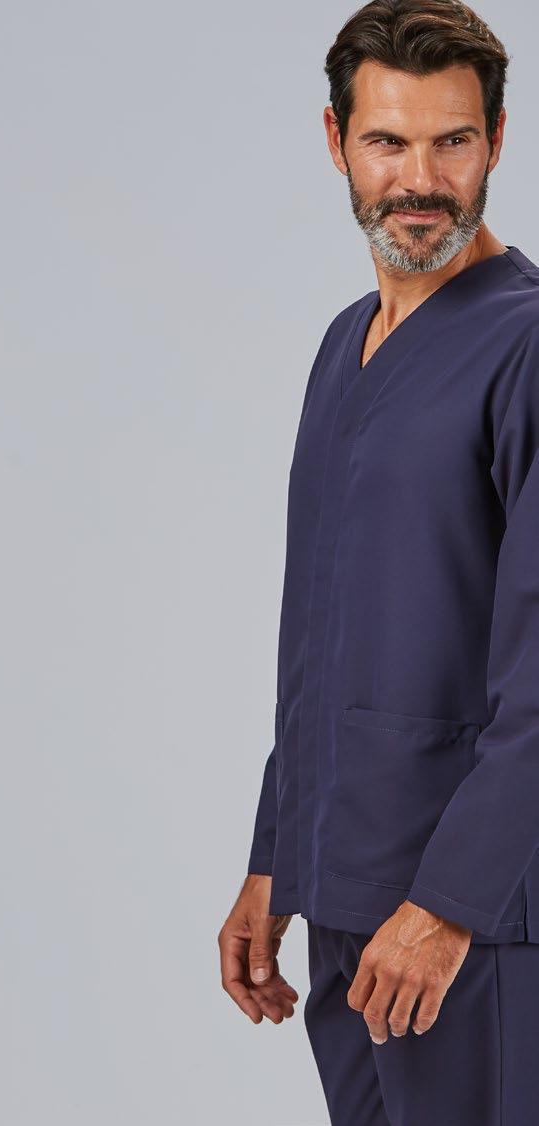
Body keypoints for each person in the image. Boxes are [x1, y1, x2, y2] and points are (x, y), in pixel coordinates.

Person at [217, 2, 539, 1122]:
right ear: (336, 141)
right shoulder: (344, 345)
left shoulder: (524, 346)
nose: (421, 181)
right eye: (387, 142)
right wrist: (278, 856)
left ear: (496, 141)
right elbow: (322, 631)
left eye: (453, 142)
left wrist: (450, 904)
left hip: (474, 922)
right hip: (347, 903)